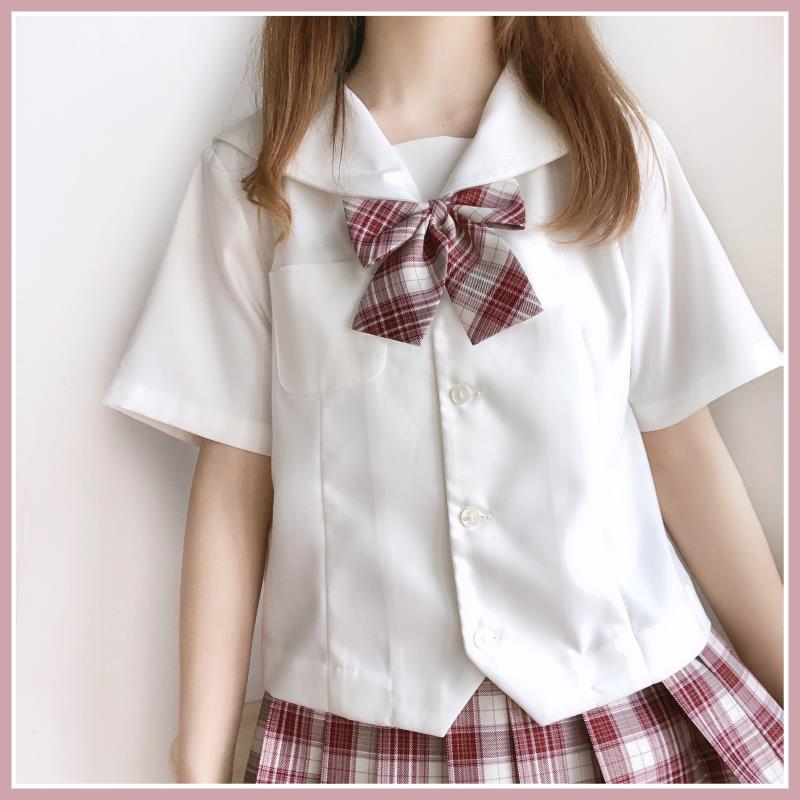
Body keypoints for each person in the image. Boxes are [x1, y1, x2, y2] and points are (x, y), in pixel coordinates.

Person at [103, 15, 785, 785]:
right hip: (355, 738)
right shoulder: (256, 180)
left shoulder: (612, 152)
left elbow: (683, 447)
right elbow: (235, 486)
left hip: (620, 713)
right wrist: (199, 767)